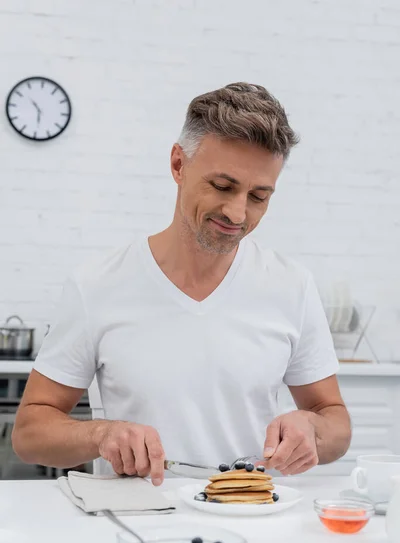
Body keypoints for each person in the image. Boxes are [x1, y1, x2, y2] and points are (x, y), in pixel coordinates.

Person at [12, 82, 351, 485]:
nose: (237, 213)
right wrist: (100, 434)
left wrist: (312, 430)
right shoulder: (97, 285)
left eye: (259, 196)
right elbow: (29, 432)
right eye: (222, 187)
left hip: (253, 523)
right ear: (178, 164)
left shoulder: (291, 286)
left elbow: (336, 423)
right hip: (135, 531)